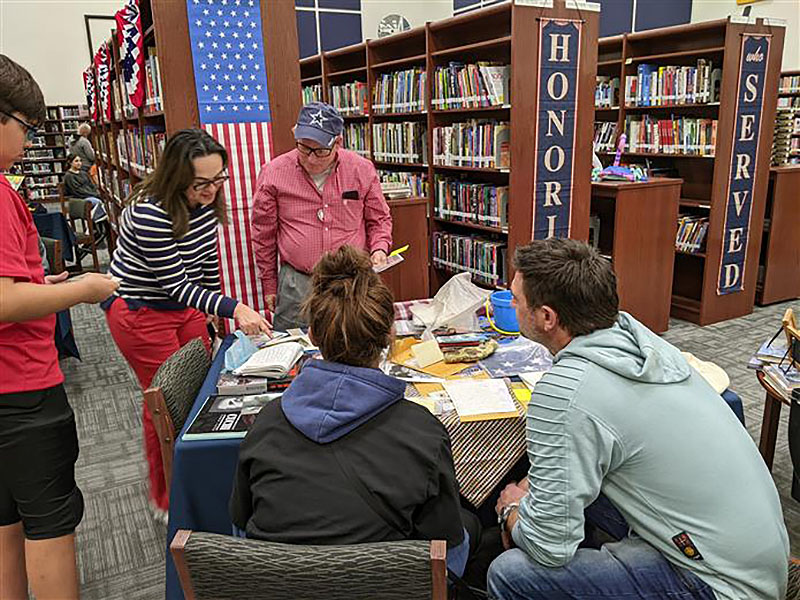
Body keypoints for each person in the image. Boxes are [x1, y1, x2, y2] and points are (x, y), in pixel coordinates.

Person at [488, 238, 789, 600]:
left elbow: (547, 547)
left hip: (718, 584)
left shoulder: (565, 391)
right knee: (568, 492)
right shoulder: (642, 343)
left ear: (547, 317)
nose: (511, 302)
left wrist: (512, 511)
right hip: (755, 558)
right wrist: (535, 491)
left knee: (510, 574)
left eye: (516, 299)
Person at [230, 245, 473, 578]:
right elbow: (448, 558)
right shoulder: (423, 433)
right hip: (386, 587)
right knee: (470, 527)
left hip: (281, 588)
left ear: (312, 335)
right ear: (391, 335)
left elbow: (241, 533)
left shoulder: (266, 423)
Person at [0, 54, 119, 600]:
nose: (28, 144)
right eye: (24, 129)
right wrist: (83, 289)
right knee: (50, 528)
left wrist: (41, 282)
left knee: (8, 522)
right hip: (22, 389)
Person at [104, 128, 271, 518]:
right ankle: (167, 497)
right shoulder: (150, 213)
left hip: (183, 310)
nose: (212, 190)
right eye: (201, 183)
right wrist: (236, 309)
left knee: (203, 393)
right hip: (142, 313)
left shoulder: (205, 201)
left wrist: (212, 315)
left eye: (219, 179)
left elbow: (206, 263)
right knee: (164, 404)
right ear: (177, 177)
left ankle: (204, 479)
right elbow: (177, 284)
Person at [252, 101, 392, 331]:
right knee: (293, 350)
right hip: (297, 282)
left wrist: (379, 248)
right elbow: (263, 234)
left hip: (352, 280)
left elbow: (379, 219)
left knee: (354, 339)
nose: (311, 159)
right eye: (304, 148)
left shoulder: (362, 169)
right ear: (295, 134)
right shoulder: (273, 173)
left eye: (320, 151)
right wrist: (269, 283)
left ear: (338, 142)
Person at [63, 153, 107, 228]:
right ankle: (94, 223)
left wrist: (96, 193)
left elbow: (92, 185)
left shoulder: (83, 173)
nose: (79, 163)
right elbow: (77, 191)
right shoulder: (69, 176)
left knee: (106, 202)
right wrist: (93, 195)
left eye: (80, 161)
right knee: (97, 202)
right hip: (81, 198)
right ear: (70, 162)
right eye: (76, 161)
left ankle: (99, 225)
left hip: (91, 195)